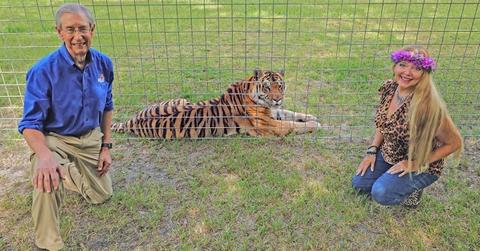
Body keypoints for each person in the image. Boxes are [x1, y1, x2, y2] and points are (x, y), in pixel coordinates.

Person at [18, 3, 114, 250]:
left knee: (101, 195)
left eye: (83, 29)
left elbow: (107, 107)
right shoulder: (42, 71)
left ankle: (67, 172)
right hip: (54, 138)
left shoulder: (104, 64)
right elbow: (30, 124)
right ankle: (49, 242)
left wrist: (105, 146)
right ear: (59, 32)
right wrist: (45, 156)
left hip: (89, 136)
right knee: (46, 176)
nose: (77, 36)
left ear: (92, 29)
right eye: (70, 29)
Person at [352, 45, 463, 207]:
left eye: (416, 68)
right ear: (395, 66)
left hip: (422, 163)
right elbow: (383, 123)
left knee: (381, 193)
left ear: (424, 74)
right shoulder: (390, 88)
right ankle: (392, 178)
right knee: (359, 184)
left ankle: (413, 190)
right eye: (402, 65)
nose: (407, 72)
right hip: (390, 154)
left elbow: (455, 143)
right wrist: (372, 150)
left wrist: (416, 163)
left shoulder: (429, 106)